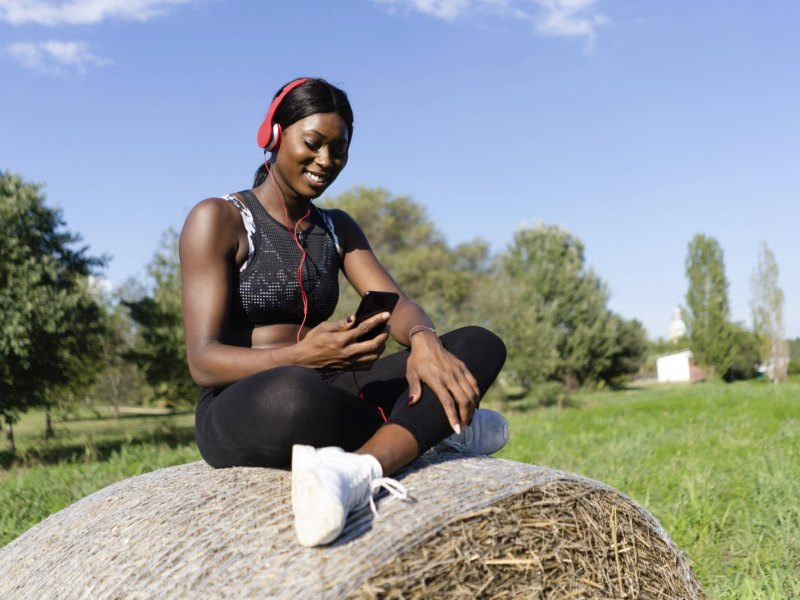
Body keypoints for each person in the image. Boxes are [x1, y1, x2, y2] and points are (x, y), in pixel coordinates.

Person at [179, 77, 508, 547]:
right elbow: (202, 361)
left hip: (331, 385)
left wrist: (423, 341)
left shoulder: (337, 228)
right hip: (246, 401)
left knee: (477, 344)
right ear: (273, 135)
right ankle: (432, 426)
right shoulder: (220, 219)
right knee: (292, 394)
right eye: (313, 144)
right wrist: (304, 356)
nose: (326, 162)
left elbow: (397, 304)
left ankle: (361, 468)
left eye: (339, 151)